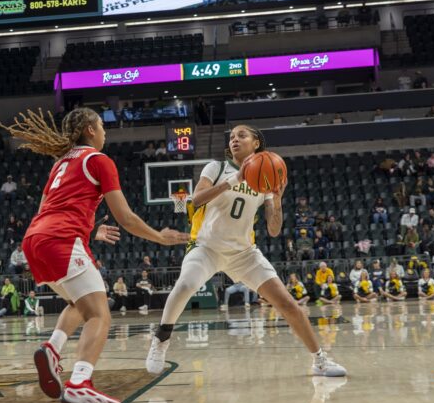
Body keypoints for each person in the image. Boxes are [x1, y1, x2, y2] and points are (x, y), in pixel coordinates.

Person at [0, 106, 189, 403]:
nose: (104, 132)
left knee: (79, 302)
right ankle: (80, 382)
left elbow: (46, 208)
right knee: (100, 313)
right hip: (61, 238)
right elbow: (125, 217)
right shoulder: (99, 160)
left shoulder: (60, 163)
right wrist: (159, 237)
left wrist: (86, 232)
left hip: (35, 240)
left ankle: (52, 348)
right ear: (90, 130)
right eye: (102, 126)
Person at [146, 124, 346, 377]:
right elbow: (195, 200)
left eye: (241, 136)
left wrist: (277, 198)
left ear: (256, 143)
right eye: (231, 138)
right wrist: (235, 179)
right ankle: (161, 339)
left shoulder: (264, 179)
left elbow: (274, 230)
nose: (234, 140)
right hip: (206, 247)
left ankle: (319, 360)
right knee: (185, 285)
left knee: (287, 303)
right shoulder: (216, 168)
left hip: (244, 254)